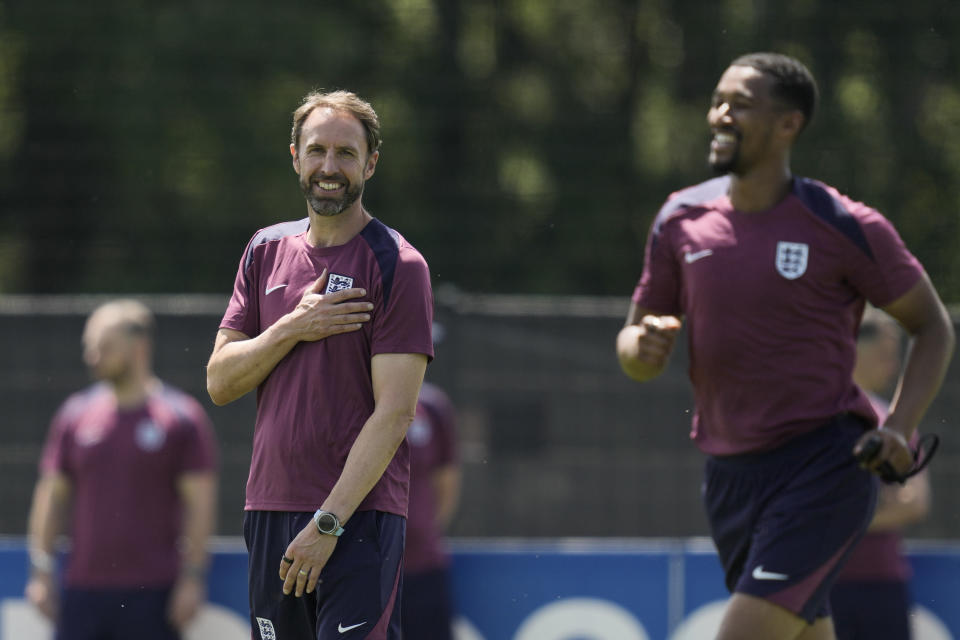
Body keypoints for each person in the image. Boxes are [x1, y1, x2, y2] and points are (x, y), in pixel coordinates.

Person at [615, 52, 954, 640]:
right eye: (718, 101)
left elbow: (932, 326)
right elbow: (631, 344)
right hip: (728, 476)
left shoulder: (844, 224)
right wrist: (638, 348)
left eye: (740, 105)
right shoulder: (680, 218)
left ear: (788, 124)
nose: (720, 114)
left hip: (823, 468)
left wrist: (899, 427)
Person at [206, 90, 434, 640]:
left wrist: (328, 524)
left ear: (371, 163)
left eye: (346, 153)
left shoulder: (398, 264)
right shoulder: (264, 250)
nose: (329, 167)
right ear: (295, 157)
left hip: (358, 519)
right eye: (317, 151)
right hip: (269, 509)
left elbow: (396, 414)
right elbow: (220, 381)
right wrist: (291, 327)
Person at [24, 299, 219, 640]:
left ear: (139, 346)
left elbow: (199, 505)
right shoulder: (74, 415)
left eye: (104, 346)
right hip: (82, 592)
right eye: (90, 347)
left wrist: (192, 578)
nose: (92, 356)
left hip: (154, 593)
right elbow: (51, 497)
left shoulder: (181, 418)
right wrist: (41, 571)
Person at [830, 308, 931, 640]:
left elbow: (915, 503)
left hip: (883, 581)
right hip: (826, 584)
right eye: (886, 355)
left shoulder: (896, 420)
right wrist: (880, 504)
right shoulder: (819, 417)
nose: (893, 367)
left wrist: (841, 511)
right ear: (855, 349)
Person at [401, 379, 461, 640]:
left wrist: (424, 531)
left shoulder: (432, 406)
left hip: (422, 566)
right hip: (365, 569)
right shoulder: (350, 400)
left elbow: (446, 480)